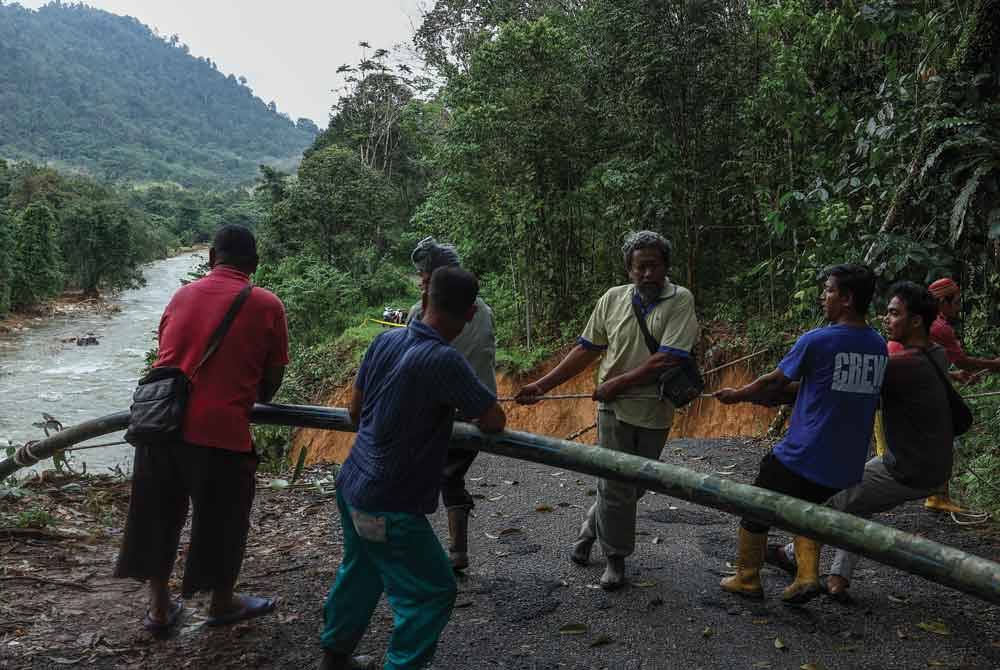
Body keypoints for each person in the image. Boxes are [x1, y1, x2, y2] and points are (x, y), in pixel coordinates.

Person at [320, 266, 506, 670]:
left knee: (362, 567)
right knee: (432, 592)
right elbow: (492, 420)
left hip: (351, 483)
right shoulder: (444, 361)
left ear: (424, 301)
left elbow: (354, 412)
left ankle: (334, 654)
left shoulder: (385, 340)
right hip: (389, 502)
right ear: (471, 314)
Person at [114, 225, 289, 630]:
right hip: (221, 431)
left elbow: (168, 356)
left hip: (162, 425)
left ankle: (160, 609)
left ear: (212, 258)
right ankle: (221, 602)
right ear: (255, 264)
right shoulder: (267, 304)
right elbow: (272, 381)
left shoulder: (181, 295)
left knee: (155, 515)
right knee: (223, 519)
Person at [515, 230, 699, 590]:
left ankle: (587, 530)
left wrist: (616, 383)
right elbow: (586, 349)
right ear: (629, 270)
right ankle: (616, 559)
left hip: (655, 409)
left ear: (666, 267)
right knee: (616, 485)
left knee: (637, 486)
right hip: (611, 410)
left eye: (654, 266)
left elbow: (668, 358)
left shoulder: (680, 300)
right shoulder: (613, 299)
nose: (648, 274)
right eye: (640, 267)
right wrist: (542, 385)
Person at [767, 281, 954, 601]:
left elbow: (835, 389)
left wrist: (767, 392)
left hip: (908, 469)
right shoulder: (936, 354)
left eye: (894, 313)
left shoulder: (900, 365)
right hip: (933, 466)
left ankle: (798, 562)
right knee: (859, 497)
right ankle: (839, 576)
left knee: (825, 502)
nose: (885, 318)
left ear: (916, 321)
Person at [714, 264, 886, 604]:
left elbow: (775, 382)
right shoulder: (878, 345)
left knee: (756, 504)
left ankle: (747, 577)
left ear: (847, 298)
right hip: (847, 463)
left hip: (805, 452)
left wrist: (738, 395)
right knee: (810, 509)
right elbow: (828, 388)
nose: (824, 297)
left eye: (829, 290)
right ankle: (806, 575)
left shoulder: (818, 340)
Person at [406, 237, 497, 570]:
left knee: (422, 477)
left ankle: (424, 554)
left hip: (438, 412)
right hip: (477, 408)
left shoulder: (422, 315)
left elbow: (413, 361)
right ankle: (456, 552)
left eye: (425, 277)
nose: (420, 283)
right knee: (450, 476)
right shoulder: (483, 309)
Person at [920, 278, 999, 512]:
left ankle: (935, 493)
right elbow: (963, 360)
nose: (958, 306)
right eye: (955, 302)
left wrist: (954, 375)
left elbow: (925, 358)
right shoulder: (939, 327)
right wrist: (995, 365)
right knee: (943, 438)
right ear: (942, 302)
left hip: (915, 386)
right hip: (921, 391)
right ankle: (936, 496)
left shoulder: (925, 323)